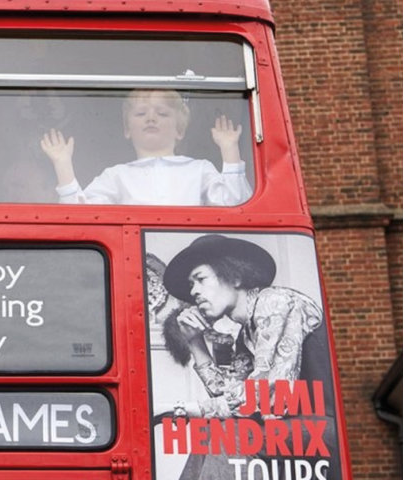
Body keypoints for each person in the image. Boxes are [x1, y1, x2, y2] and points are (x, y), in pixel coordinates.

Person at [161, 234, 326, 419]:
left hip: (324, 424)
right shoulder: (246, 333)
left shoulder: (274, 302)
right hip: (298, 426)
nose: (193, 291)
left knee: (230, 439)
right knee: (224, 434)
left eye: (201, 279)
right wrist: (195, 342)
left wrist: (182, 408)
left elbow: (271, 397)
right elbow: (228, 397)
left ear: (235, 277)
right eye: (191, 285)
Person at [40, 89, 251, 205]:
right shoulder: (117, 175)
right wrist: (63, 165)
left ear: (180, 130)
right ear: (127, 130)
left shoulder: (199, 169)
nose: (151, 118)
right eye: (141, 114)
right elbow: (81, 214)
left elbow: (235, 203)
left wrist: (229, 150)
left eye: (163, 113)